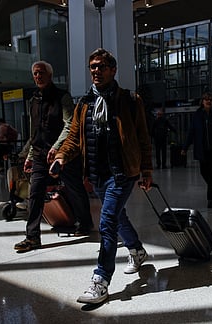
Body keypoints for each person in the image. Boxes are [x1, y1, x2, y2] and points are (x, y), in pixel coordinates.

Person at [52, 48, 153, 304]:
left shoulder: (130, 100)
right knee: (118, 217)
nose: (96, 71)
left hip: (122, 174)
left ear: (113, 70)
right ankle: (137, 250)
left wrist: (147, 171)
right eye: (92, 67)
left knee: (107, 223)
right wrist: (62, 156)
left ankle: (101, 280)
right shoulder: (84, 104)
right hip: (97, 175)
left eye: (101, 66)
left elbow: (142, 138)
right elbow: (74, 137)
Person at [13, 60, 92, 252]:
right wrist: (30, 155)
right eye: (35, 73)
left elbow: (70, 124)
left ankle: (85, 223)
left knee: (75, 188)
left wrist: (57, 148)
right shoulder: (34, 101)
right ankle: (32, 237)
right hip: (40, 154)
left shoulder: (62, 97)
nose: (38, 76)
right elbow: (34, 133)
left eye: (41, 73)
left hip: (63, 155)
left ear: (50, 75)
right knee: (35, 194)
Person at [181, 92, 212, 208]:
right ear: (202, 102)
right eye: (206, 99)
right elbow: (191, 132)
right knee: (203, 172)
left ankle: (211, 199)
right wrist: (185, 147)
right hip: (203, 150)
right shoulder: (198, 115)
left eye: (211, 100)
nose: (209, 101)